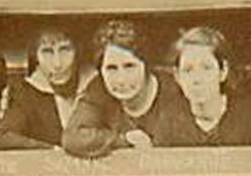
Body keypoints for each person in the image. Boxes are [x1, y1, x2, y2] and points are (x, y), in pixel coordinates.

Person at [154, 25, 251, 176]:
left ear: (223, 71)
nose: (197, 80)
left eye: (206, 68)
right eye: (188, 70)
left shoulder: (248, 115)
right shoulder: (170, 120)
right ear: (177, 76)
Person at [61, 19, 183, 159]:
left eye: (129, 66)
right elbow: (72, 138)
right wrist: (123, 141)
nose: (121, 79)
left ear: (146, 65)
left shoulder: (172, 88)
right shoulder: (99, 89)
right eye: (111, 69)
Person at [0, 24, 85, 149]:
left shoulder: (92, 87)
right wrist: (49, 149)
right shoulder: (27, 94)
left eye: (64, 50)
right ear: (36, 57)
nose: (57, 63)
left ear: (77, 53)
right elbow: (0, 138)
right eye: (47, 52)